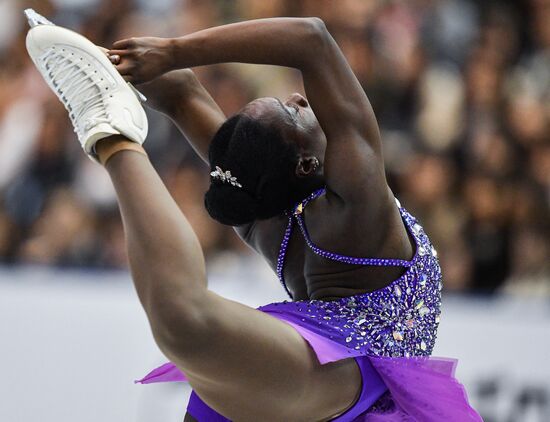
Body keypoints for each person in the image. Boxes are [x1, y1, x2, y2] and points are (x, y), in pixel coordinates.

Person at [26, 15, 481, 421]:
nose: (301, 98)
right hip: (340, 364)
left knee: (180, 320)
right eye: (293, 110)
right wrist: (170, 50)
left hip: (326, 371)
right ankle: (110, 135)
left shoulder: (258, 207)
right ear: (306, 163)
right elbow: (311, 40)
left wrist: (104, 55)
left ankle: (111, 131)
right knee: (182, 317)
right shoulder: (356, 204)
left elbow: (183, 94)